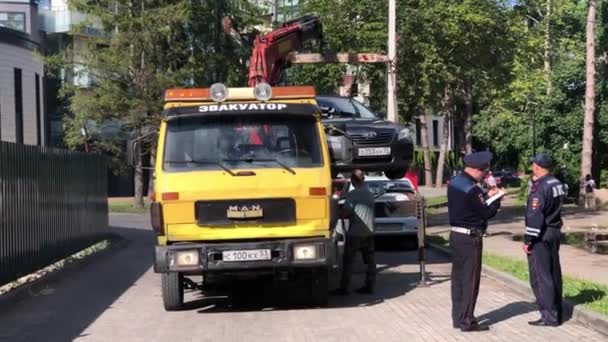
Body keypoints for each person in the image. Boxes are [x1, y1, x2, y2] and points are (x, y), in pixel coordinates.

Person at [448, 151, 504, 332]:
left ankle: (458, 318)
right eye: (484, 171)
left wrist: (486, 195)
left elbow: (471, 206)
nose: (485, 174)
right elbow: (485, 212)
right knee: (470, 280)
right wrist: (497, 198)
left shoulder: (455, 182)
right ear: (475, 170)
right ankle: (467, 321)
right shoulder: (472, 189)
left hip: (456, 235)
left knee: (457, 279)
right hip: (470, 238)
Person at [523, 153, 565, 327]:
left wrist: (528, 240)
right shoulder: (557, 183)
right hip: (554, 231)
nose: (533, 167)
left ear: (537, 166)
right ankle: (558, 310)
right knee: (554, 272)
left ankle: (549, 315)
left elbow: (535, 215)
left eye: (534, 164)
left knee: (541, 276)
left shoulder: (540, 187)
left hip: (541, 234)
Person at [332, 169, 377, 295]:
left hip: (355, 233)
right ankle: (370, 286)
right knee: (370, 261)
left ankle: (344, 288)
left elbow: (346, 212)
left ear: (352, 180)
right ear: (363, 179)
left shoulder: (353, 194)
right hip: (369, 232)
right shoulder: (369, 193)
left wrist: (337, 213)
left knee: (348, 262)